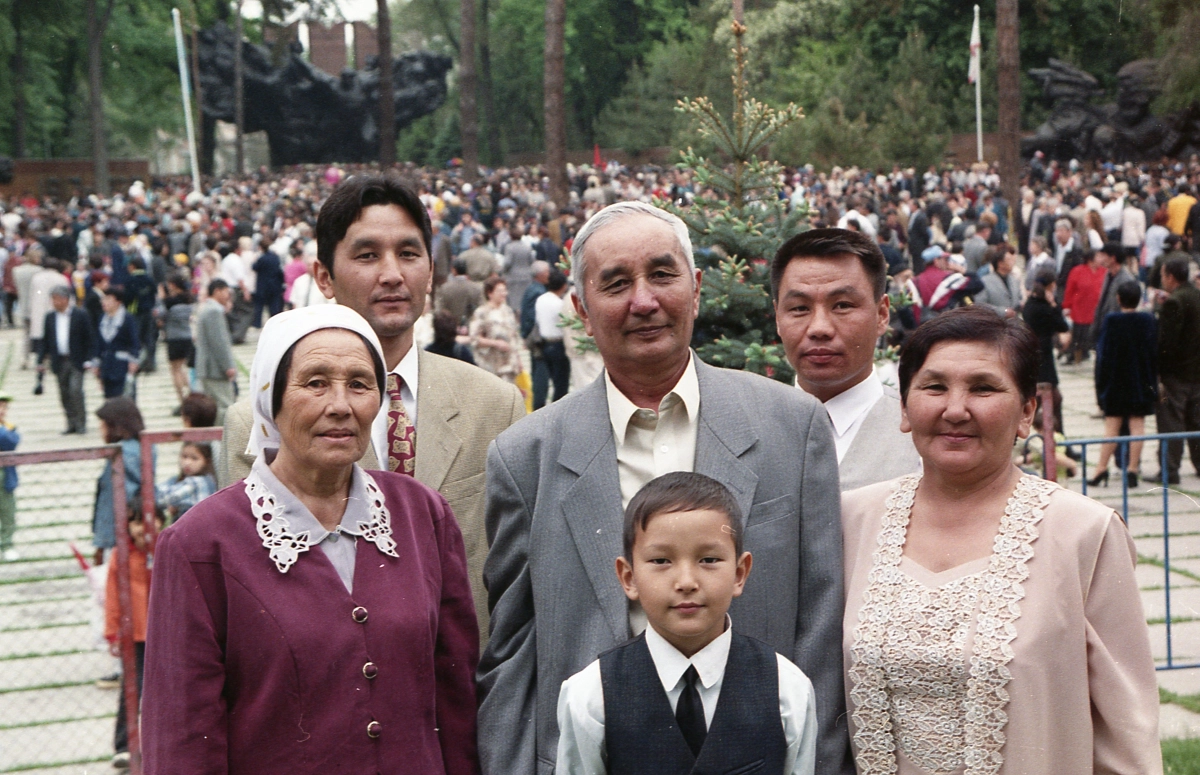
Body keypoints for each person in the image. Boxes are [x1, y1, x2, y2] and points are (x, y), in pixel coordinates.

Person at [479, 201, 849, 775]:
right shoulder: (527, 458)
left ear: (695, 288)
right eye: (616, 283)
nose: (644, 301)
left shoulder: (791, 428)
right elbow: (511, 655)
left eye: (662, 274)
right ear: (580, 307)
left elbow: (822, 625)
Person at [141, 307, 479, 774]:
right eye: (316, 382)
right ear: (270, 398)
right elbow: (181, 739)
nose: (340, 405)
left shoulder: (423, 514)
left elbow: (457, 700)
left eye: (359, 384)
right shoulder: (200, 546)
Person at [841, 306, 1161, 775]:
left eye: (983, 388)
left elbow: (1127, 732)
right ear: (905, 409)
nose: (955, 409)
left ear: (1027, 410)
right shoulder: (853, 520)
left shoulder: (1084, 534)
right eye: (934, 387)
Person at [221, 173, 525, 644]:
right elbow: (244, 600)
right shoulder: (261, 424)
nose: (392, 274)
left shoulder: (494, 404)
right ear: (323, 276)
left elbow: (518, 576)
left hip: (471, 694)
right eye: (367, 255)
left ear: (430, 267)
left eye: (408, 253)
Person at [555, 472, 818, 775]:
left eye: (708, 560)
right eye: (661, 561)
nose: (686, 582)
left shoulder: (787, 689)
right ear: (629, 578)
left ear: (739, 572)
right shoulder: (590, 695)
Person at [772, 228, 920, 491]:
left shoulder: (922, 436)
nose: (819, 328)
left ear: (882, 314)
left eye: (842, 305)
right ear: (777, 317)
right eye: (799, 308)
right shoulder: (746, 431)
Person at [105, 505, 160, 769]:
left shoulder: (166, 546)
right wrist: (112, 631)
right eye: (134, 523)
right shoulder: (121, 554)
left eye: (148, 521)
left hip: (164, 631)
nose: (141, 528)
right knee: (132, 687)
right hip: (135, 633)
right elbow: (112, 593)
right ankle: (124, 746)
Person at [1091, 281, 1158, 487]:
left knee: (1112, 426)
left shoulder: (1112, 321)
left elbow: (1104, 355)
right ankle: (1133, 468)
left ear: (1118, 298)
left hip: (1116, 381)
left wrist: (1100, 385)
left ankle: (1101, 468)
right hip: (1140, 380)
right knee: (1138, 425)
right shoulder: (1147, 320)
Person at [1155, 254, 1200, 485]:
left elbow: (1167, 344)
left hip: (1178, 373)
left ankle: (1170, 469)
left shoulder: (1174, 302)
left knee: (1171, 420)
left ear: (1171, 277)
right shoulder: (1196, 295)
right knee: (1196, 420)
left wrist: (1160, 370)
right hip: (1197, 372)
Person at [92, 398, 148, 567]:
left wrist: (102, 542)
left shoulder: (120, 454)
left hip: (118, 535)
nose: (100, 430)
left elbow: (111, 502)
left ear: (117, 427)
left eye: (103, 425)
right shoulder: (145, 446)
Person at [38, 285, 95, 434]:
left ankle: (81, 423)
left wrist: (89, 358)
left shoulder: (80, 315)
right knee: (64, 393)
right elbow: (46, 341)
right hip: (59, 360)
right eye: (53, 299)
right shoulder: (50, 317)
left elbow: (89, 338)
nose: (55, 302)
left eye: (57, 299)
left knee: (76, 390)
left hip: (76, 359)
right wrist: (40, 360)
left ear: (66, 299)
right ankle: (71, 423)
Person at [1022, 269, 1071, 435]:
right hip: (1043, 358)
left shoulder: (1030, 304)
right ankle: (1051, 437)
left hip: (1036, 355)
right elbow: (1062, 325)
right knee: (1048, 399)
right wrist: (1054, 306)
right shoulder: (1044, 308)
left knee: (1050, 400)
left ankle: (1055, 438)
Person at [194, 278, 238, 422]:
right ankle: (222, 439)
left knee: (213, 406)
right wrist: (228, 366)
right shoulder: (213, 311)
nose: (228, 296)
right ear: (217, 291)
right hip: (214, 368)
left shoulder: (206, 309)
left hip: (207, 367)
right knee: (224, 406)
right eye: (226, 292)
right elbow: (219, 342)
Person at [470, 276, 523, 383]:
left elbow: (513, 336)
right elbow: (474, 339)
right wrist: (495, 343)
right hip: (491, 365)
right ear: (490, 293)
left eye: (505, 290)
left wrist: (518, 360)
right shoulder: (482, 312)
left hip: (509, 365)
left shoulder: (508, 311)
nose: (504, 293)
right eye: (500, 291)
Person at [532, 268, 571, 409]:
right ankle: (558, 408)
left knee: (543, 380)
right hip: (558, 344)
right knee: (560, 382)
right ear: (564, 286)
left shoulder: (540, 299)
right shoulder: (559, 304)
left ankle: (540, 407)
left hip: (543, 343)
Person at [95, 288, 141, 399]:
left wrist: (134, 360)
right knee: (110, 400)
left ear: (118, 301)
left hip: (123, 365)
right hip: (107, 365)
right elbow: (98, 343)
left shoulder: (127, 318)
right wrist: (96, 363)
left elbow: (134, 341)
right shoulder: (102, 319)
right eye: (103, 299)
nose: (104, 302)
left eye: (108, 299)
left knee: (125, 400)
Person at [1061, 249, 1105, 363]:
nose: (1101, 259)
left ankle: (1086, 352)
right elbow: (1070, 290)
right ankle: (1073, 355)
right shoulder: (1077, 271)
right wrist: (1067, 306)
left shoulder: (1104, 271)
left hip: (1096, 309)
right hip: (1080, 308)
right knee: (1078, 334)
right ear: (1090, 259)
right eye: (1098, 257)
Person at [154, 441, 217, 522]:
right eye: (184, 457)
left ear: (206, 461)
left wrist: (174, 504)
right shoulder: (207, 478)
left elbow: (163, 499)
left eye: (194, 458)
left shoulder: (197, 482)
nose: (187, 463)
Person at [1089, 242, 1136, 346]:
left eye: (1104, 255)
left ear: (1113, 258)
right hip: (1104, 327)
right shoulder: (1108, 274)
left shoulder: (1126, 279)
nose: (1101, 259)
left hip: (1116, 331)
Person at [161, 275, 195, 411]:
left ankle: (183, 400)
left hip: (173, 338)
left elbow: (161, 316)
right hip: (186, 336)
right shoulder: (188, 299)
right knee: (183, 369)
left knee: (175, 370)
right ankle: (192, 394)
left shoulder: (169, 302)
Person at [974, 244, 1022, 318]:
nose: (1013, 262)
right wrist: (1003, 312)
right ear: (1000, 263)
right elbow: (980, 305)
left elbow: (1019, 299)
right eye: (1010, 259)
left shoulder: (1014, 280)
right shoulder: (985, 281)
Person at [0, 393, 20, 561]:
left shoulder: (8, 428)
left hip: (5, 474)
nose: (1, 410)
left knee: (7, 511)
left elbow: (9, 441)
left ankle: (6, 543)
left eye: (4, 407)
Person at [437, 258, 484, 326]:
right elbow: (481, 309)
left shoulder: (444, 288)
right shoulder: (476, 288)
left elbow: (439, 310)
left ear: (454, 270)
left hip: (449, 328)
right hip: (471, 327)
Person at [521, 260, 550, 337]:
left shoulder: (532, 288)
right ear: (539, 274)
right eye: (547, 271)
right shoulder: (538, 292)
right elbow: (531, 316)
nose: (549, 274)